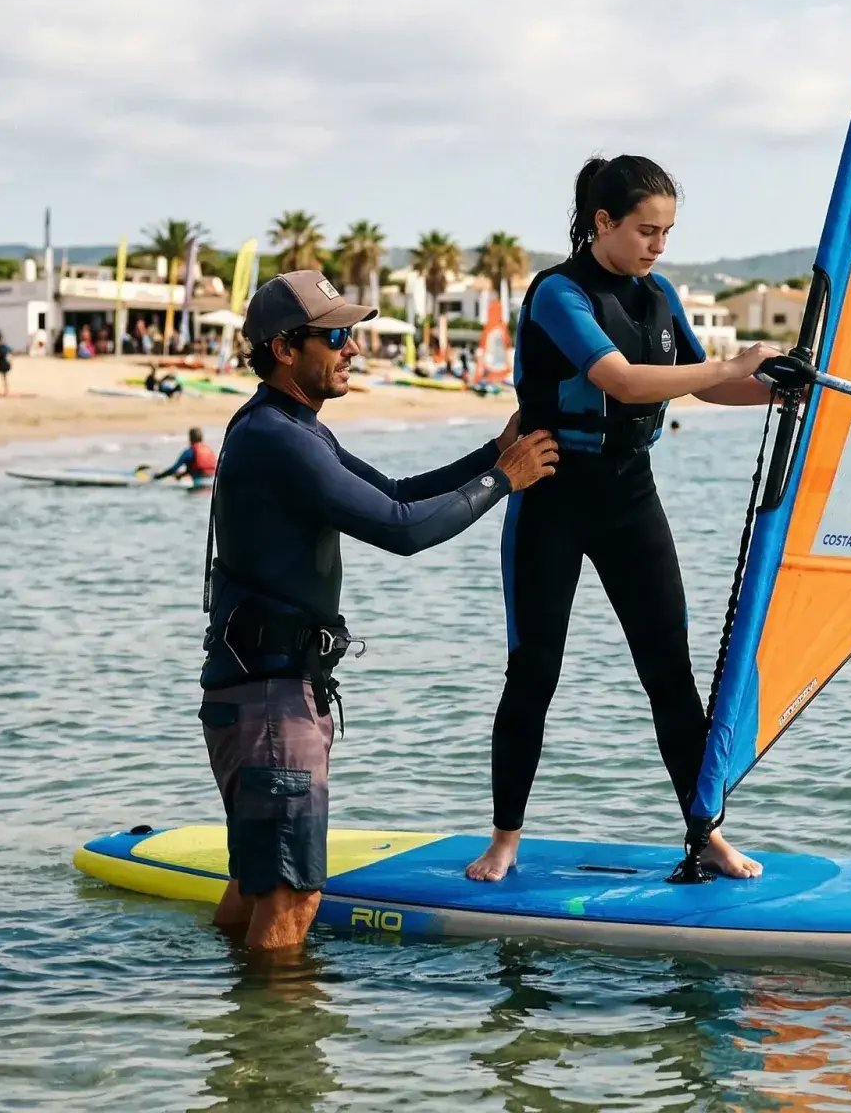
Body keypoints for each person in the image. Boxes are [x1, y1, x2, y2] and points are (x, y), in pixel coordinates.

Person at [199, 269, 558, 951]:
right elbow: (402, 529)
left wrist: (493, 452)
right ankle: (277, 1048)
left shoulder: (290, 429)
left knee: (256, 883)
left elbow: (396, 492)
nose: (352, 349)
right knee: (293, 895)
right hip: (271, 701)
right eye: (336, 336)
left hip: (261, 690)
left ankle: (233, 1025)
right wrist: (504, 479)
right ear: (283, 348)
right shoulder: (278, 437)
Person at [464, 155, 782, 885]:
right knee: (534, 671)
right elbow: (622, 380)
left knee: (671, 673)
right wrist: (735, 364)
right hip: (552, 496)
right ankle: (505, 837)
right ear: (602, 222)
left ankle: (705, 834)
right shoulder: (558, 294)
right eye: (646, 230)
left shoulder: (658, 295)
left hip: (630, 498)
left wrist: (774, 392)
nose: (657, 247)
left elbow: (704, 391)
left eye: (667, 233)